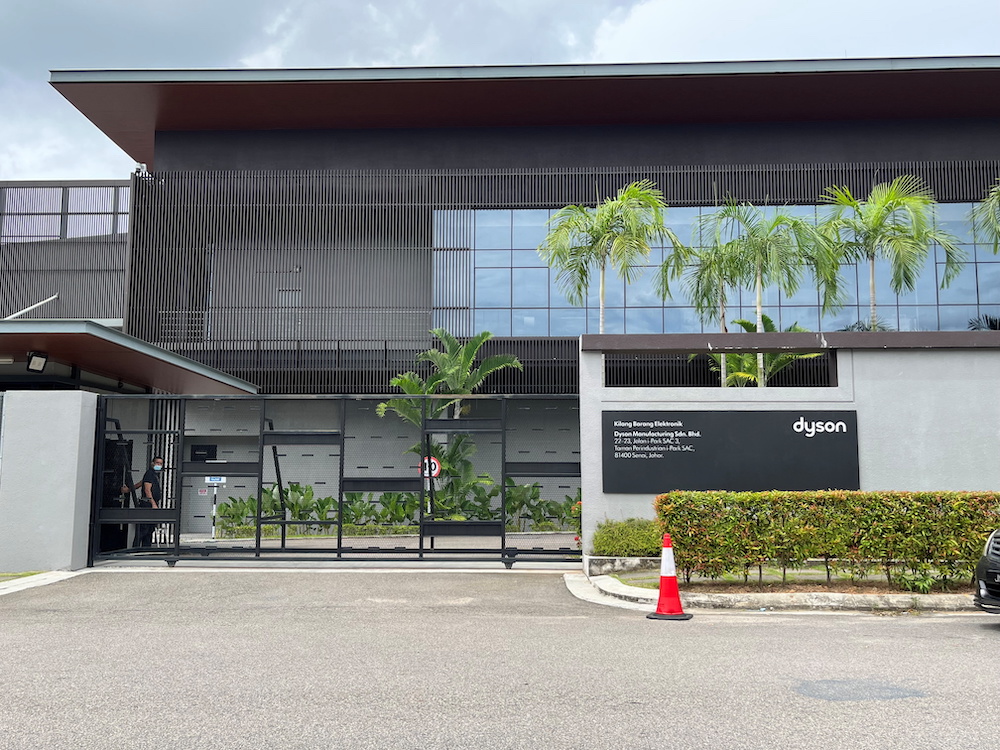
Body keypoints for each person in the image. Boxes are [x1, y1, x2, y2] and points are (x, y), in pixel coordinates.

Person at [121, 456, 163, 547]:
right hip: (147, 505)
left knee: (149, 529)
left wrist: (129, 489)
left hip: (151, 505)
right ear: (153, 463)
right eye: (157, 463)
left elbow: (141, 483)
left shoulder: (155, 475)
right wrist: (153, 504)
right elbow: (147, 490)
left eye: (160, 464)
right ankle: (136, 549)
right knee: (143, 529)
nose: (158, 465)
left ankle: (145, 550)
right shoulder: (149, 474)